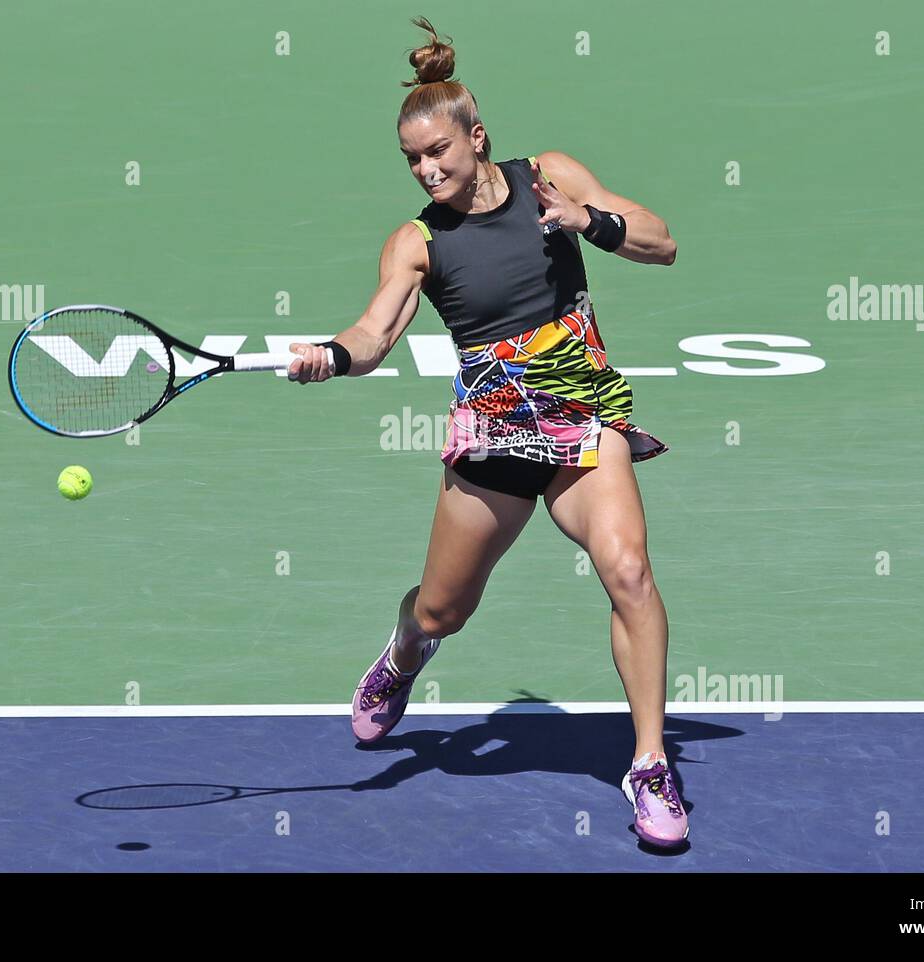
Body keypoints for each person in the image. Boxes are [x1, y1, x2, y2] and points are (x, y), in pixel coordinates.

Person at [287, 17, 686, 848]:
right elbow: (374, 335)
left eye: (440, 151)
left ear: (478, 137)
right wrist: (331, 353)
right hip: (497, 433)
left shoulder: (550, 177)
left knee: (629, 570)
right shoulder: (419, 242)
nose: (427, 169)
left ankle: (649, 763)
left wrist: (588, 221)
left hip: (582, 417)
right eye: (412, 160)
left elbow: (662, 243)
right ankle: (402, 655)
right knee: (442, 610)